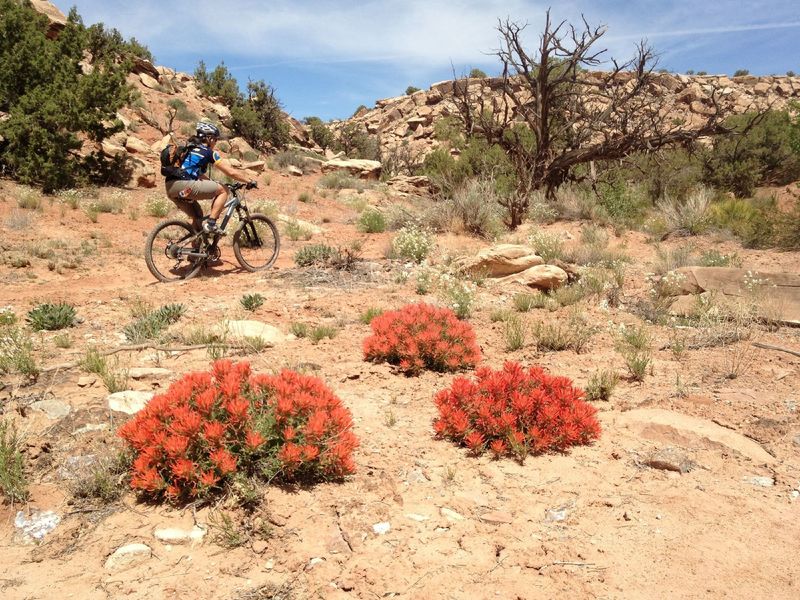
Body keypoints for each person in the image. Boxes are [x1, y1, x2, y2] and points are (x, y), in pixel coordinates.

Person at [164, 122, 257, 235]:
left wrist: (213, 183)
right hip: (185, 185)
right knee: (223, 190)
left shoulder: (189, 149)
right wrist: (249, 181)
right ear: (209, 138)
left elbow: (197, 174)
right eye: (215, 139)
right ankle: (211, 224)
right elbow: (230, 172)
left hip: (170, 186)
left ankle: (194, 250)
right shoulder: (208, 152)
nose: (215, 142)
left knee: (198, 217)